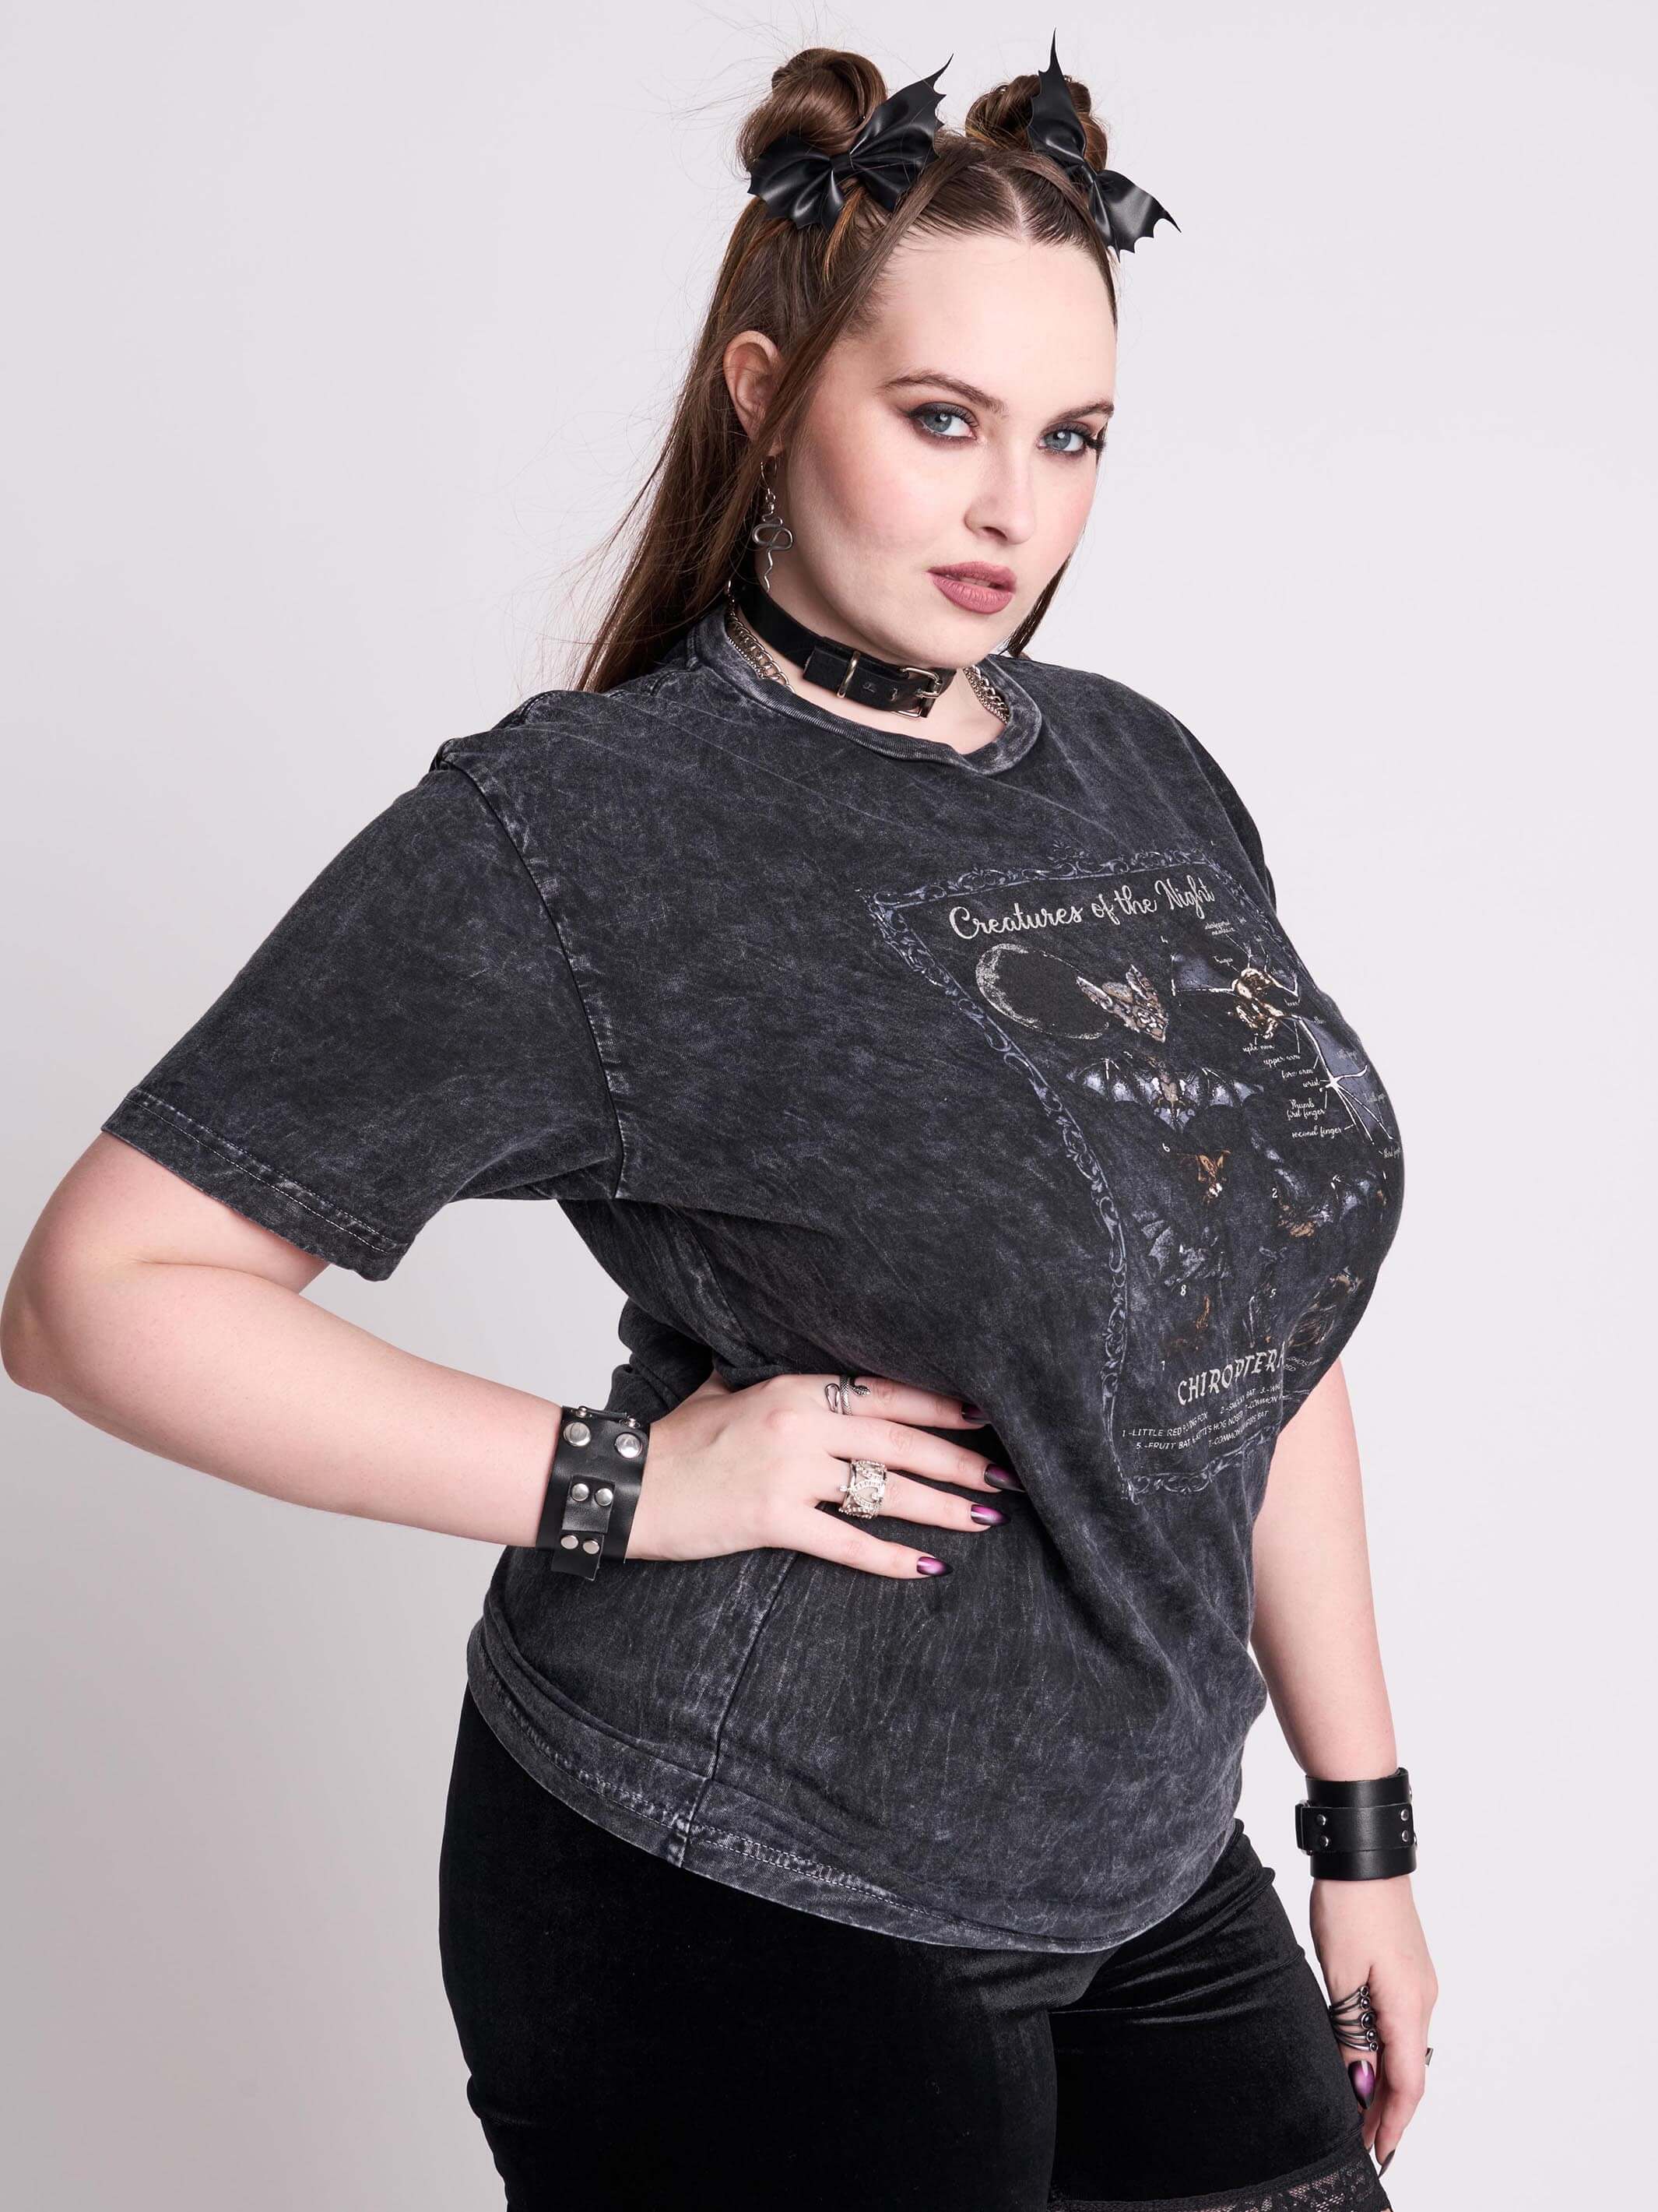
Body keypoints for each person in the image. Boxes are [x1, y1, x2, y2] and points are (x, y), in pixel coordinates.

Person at [2, 38, 1438, 2212]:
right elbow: (99, 1290)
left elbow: (1252, 1327)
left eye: (1069, 438)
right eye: (940, 419)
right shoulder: (583, 830)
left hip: (1146, 1863)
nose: (1013, 508)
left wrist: (1361, 1825)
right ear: (767, 395)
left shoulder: (1142, 773)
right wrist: (634, 1484)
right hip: (739, 1868)